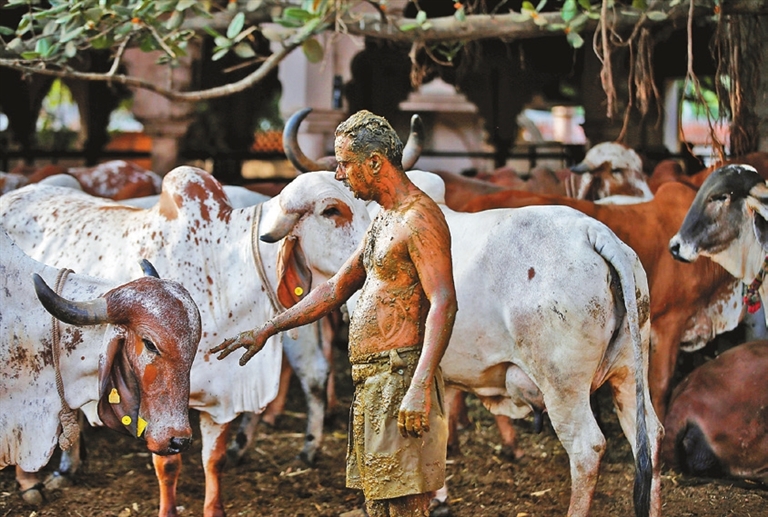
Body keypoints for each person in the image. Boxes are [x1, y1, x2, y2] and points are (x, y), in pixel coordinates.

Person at [212, 110, 458, 516]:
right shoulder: (384, 219)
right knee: (378, 503)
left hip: (401, 376)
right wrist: (268, 328)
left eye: (345, 163)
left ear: (374, 163)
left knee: (405, 505)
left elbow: (443, 302)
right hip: (373, 381)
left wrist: (419, 386)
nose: (339, 175)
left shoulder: (419, 219)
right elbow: (335, 288)